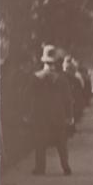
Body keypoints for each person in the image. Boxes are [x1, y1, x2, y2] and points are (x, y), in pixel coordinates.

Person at [29, 45, 73, 175]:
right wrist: (69, 116)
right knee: (61, 142)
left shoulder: (35, 77)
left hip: (40, 115)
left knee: (40, 142)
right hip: (58, 115)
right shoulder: (62, 79)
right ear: (55, 61)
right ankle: (65, 167)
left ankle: (40, 168)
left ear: (44, 61)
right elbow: (68, 99)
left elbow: (29, 97)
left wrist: (30, 114)